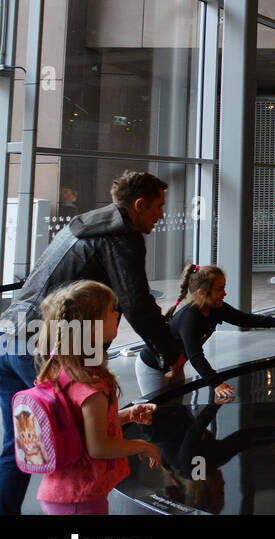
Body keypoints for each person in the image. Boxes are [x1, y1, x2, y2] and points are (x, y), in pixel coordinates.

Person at [0, 170, 183, 515]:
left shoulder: (85, 223)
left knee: (19, 445)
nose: (161, 215)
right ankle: (79, 505)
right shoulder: (120, 235)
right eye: (158, 207)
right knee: (79, 436)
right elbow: (136, 302)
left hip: (8, 339)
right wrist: (171, 353)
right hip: (41, 346)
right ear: (139, 205)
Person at [30, 281, 161, 514]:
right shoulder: (92, 384)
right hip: (80, 497)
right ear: (92, 328)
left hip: (64, 491)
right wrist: (142, 445)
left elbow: (81, 426)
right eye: (112, 310)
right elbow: (98, 447)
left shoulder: (64, 367)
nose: (117, 314)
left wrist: (123, 416)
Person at [135, 265, 275, 401]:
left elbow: (243, 319)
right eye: (220, 289)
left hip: (175, 365)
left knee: (175, 408)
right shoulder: (190, 318)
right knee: (156, 410)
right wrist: (216, 384)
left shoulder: (216, 308)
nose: (225, 293)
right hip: (153, 367)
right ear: (202, 293)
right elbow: (196, 356)